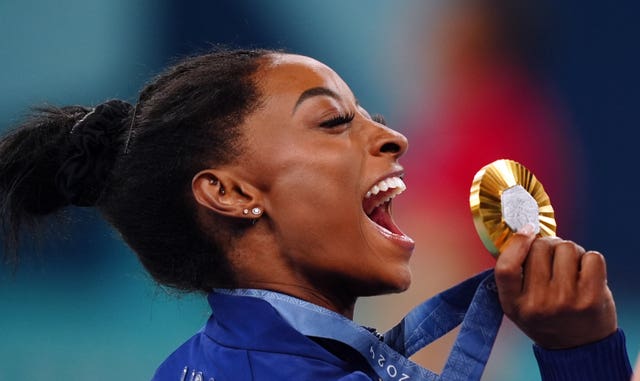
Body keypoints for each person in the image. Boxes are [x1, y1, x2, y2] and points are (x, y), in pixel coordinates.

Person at [0, 49, 633, 380]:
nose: (393, 137)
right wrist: (581, 354)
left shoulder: (202, 362)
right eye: (333, 121)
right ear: (228, 192)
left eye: (367, 113)